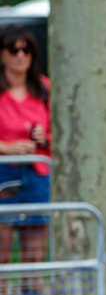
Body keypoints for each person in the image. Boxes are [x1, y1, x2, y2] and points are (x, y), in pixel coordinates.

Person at [0, 27, 51, 281]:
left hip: (37, 171)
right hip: (3, 174)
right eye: (13, 50)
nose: (20, 56)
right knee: (3, 250)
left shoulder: (45, 88)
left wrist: (44, 139)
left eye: (26, 50)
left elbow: (59, 133)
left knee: (35, 254)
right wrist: (7, 148)